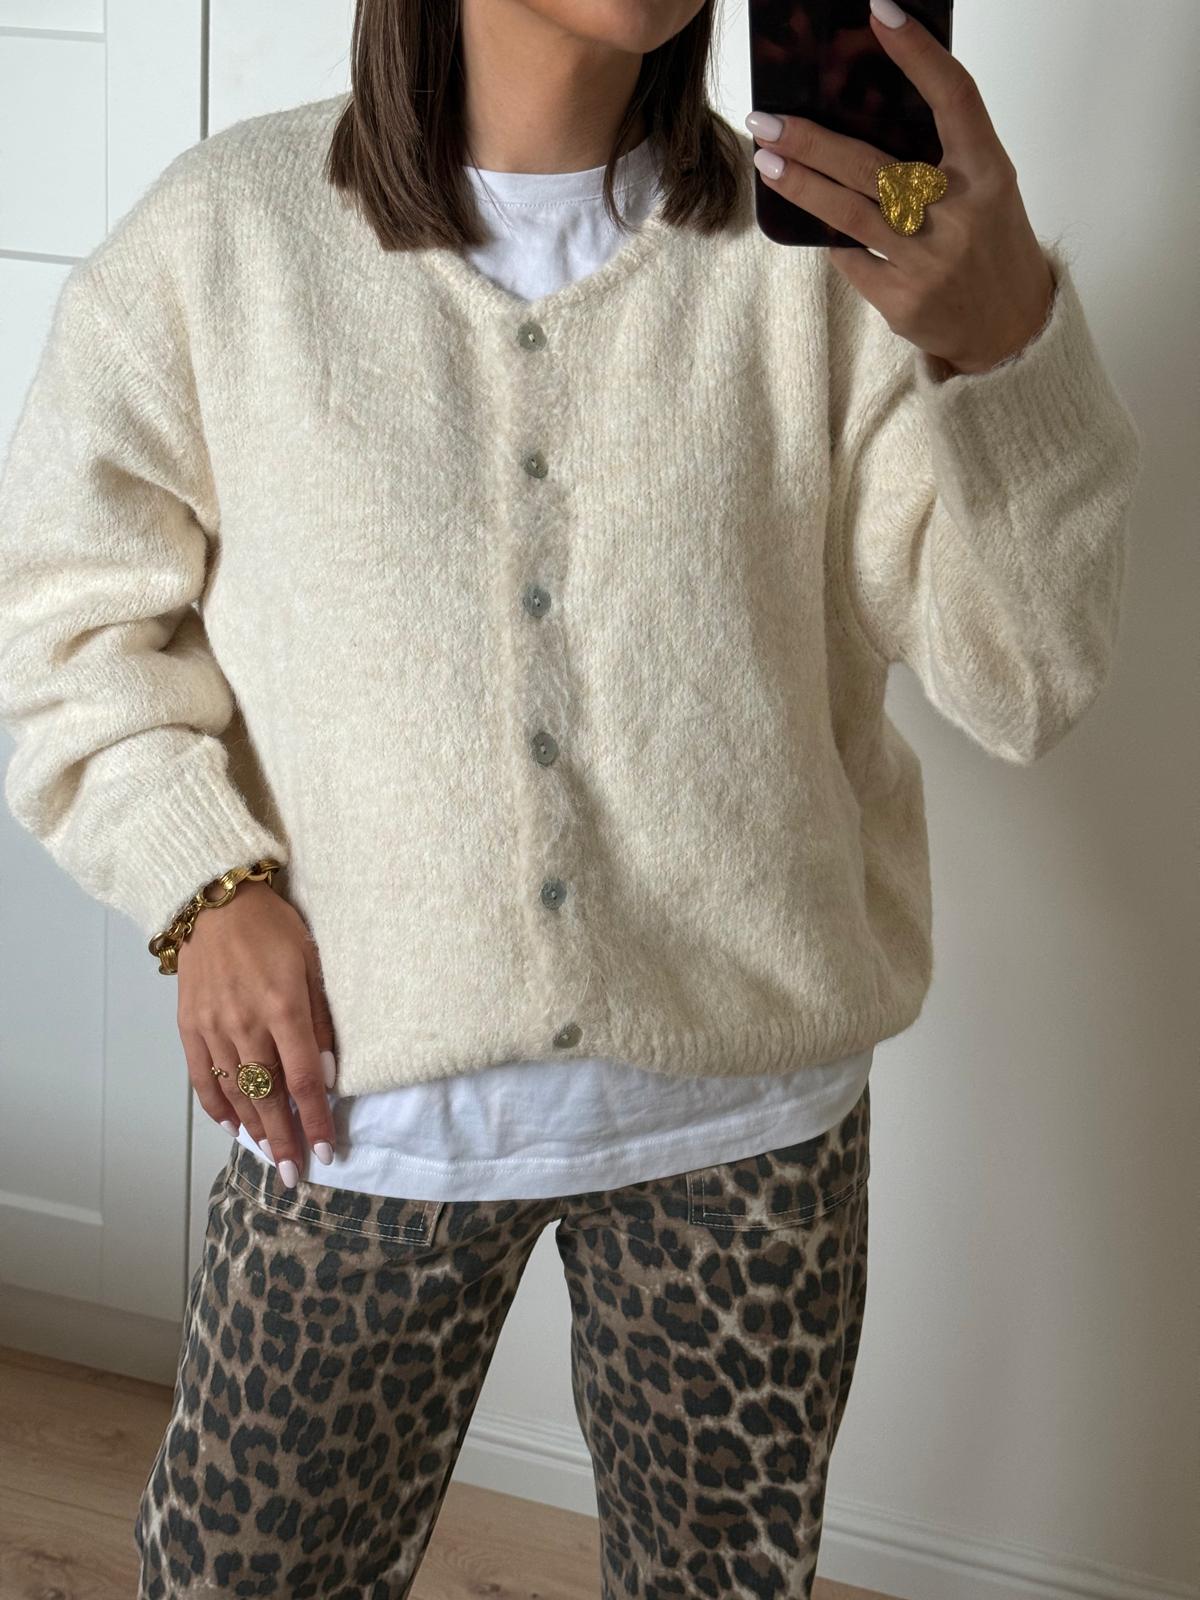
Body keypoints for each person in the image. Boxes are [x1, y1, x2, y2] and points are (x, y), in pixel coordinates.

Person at [0, 0, 1141, 1595]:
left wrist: (1003, 345)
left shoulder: (818, 258)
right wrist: (207, 886)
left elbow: (1026, 678)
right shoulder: (225, 240)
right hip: (362, 1112)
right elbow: (60, 626)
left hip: (753, 1132)